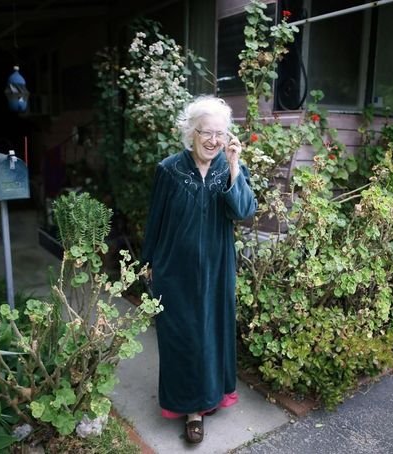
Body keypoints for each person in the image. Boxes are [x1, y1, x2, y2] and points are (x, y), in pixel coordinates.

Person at [142, 95, 257, 443]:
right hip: (175, 271)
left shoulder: (228, 167)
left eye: (220, 134)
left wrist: (236, 166)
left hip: (218, 269)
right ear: (191, 133)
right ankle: (191, 410)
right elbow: (156, 221)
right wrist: (147, 265)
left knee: (212, 334)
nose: (213, 140)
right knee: (182, 337)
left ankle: (209, 399)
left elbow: (243, 211)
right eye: (206, 132)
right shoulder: (169, 170)